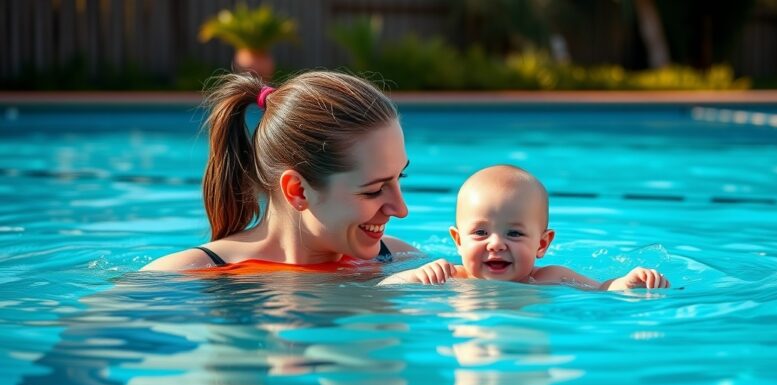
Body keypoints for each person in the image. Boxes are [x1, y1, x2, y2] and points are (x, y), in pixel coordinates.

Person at [142, 71, 413, 271]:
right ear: (298, 191)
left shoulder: (401, 260)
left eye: (399, 177)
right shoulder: (187, 276)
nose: (401, 210)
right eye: (374, 189)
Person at [381, 165, 671, 290]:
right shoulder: (448, 279)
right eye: (480, 233)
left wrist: (628, 282)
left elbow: (603, 290)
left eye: (515, 233)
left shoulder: (550, 278)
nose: (496, 244)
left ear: (542, 244)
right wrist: (411, 278)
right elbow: (381, 291)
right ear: (458, 240)